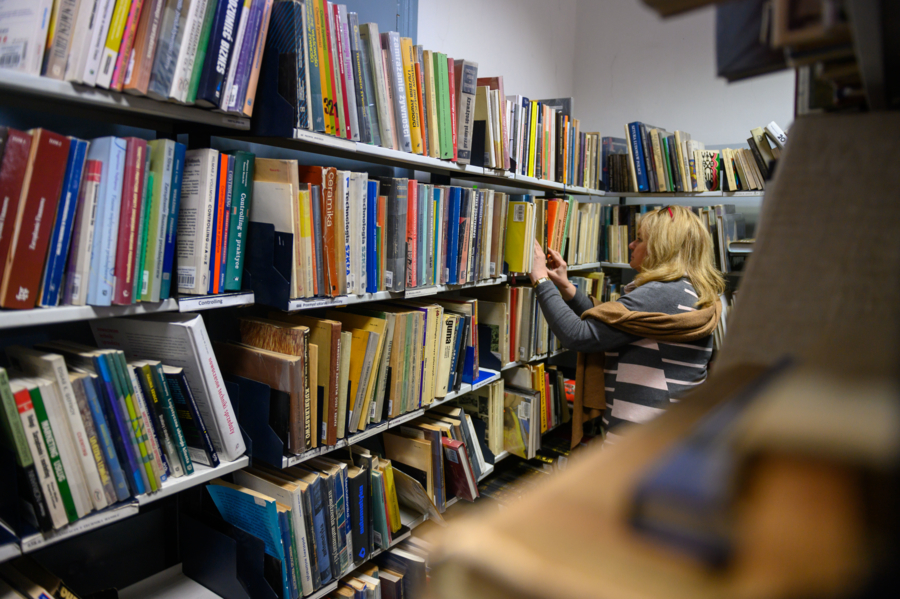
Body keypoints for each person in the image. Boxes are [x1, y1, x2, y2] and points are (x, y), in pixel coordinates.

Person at [529, 205, 725, 445]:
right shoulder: (689, 290)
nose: (631, 245)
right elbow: (615, 325)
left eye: (640, 239)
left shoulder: (660, 293)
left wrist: (540, 278)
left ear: (661, 248)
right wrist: (567, 288)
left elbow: (578, 335)